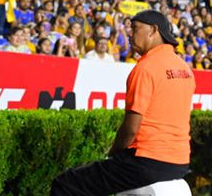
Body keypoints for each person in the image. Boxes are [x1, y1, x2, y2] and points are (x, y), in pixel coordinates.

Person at [51, 10, 195, 195]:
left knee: (64, 184)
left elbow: (131, 129)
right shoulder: (184, 68)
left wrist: (113, 153)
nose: (129, 34)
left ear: (153, 30)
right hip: (180, 161)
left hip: (146, 161)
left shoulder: (146, 67)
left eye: (135, 28)